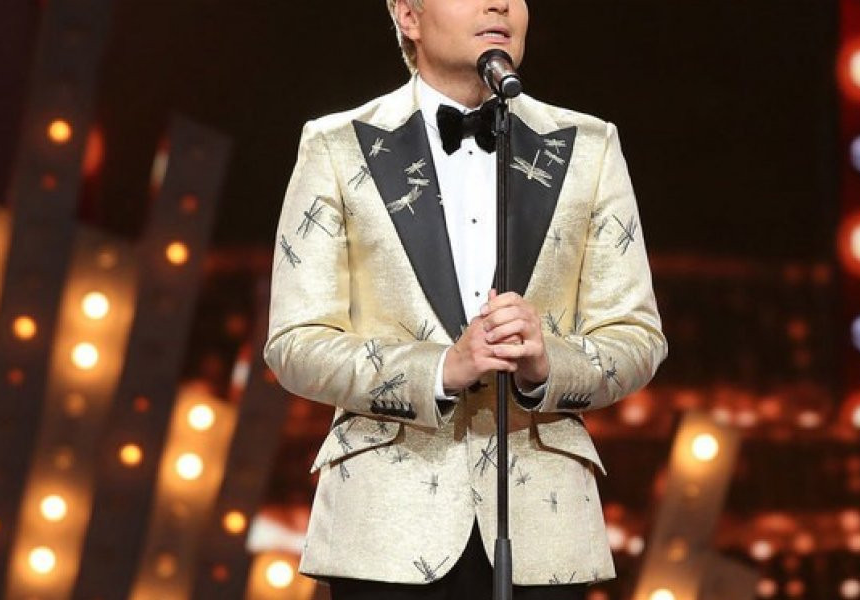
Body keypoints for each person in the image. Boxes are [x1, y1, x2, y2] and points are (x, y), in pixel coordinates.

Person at [263, 0, 666, 597]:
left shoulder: (589, 145)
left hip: (545, 529)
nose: (499, 4)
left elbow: (638, 336)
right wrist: (440, 369)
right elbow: (295, 342)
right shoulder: (335, 146)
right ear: (408, 15)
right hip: (387, 532)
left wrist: (547, 364)